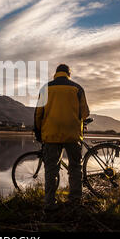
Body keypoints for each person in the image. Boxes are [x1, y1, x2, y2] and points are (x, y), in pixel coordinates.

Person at [33, 64, 90, 211]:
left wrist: (38, 132)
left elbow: (38, 114)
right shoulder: (77, 88)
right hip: (73, 135)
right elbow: (85, 113)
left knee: (51, 170)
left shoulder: (46, 88)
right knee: (75, 168)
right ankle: (75, 201)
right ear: (68, 74)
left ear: (56, 73)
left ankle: (50, 204)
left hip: (51, 135)